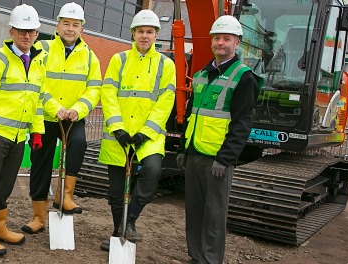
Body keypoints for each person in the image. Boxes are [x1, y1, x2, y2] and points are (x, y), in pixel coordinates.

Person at [176, 15, 262, 264]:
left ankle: (210, 260)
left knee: (214, 214)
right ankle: (196, 257)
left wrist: (225, 159)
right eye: (217, 38)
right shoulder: (202, 74)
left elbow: (242, 124)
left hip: (217, 160)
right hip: (195, 154)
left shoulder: (244, 77)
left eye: (226, 39)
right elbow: (192, 115)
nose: (220, 43)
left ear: (237, 43)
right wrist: (184, 147)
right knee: (194, 211)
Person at [0, 4, 47, 257]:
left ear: (37, 34)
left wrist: (36, 132)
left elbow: (35, 103)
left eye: (32, 32)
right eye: (22, 31)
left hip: (17, 137)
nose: (27, 36)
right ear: (11, 31)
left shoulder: (37, 64)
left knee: (6, 184)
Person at [21, 2, 101, 234]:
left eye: (75, 25)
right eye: (66, 23)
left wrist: (77, 109)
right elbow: (36, 81)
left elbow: (94, 89)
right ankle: (38, 216)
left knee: (79, 143)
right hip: (46, 117)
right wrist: (54, 107)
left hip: (73, 117)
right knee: (40, 163)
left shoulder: (90, 56)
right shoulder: (42, 48)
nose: (70, 28)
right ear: (57, 26)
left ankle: (64, 196)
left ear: (81, 29)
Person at [98, 9, 176, 251]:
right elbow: (108, 93)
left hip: (148, 137)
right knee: (116, 190)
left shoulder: (166, 64)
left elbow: (166, 100)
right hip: (118, 136)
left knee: (151, 174)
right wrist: (118, 128)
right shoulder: (119, 60)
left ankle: (129, 221)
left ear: (156, 35)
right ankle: (117, 230)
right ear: (133, 33)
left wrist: (146, 132)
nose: (144, 35)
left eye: (149, 32)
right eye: (140, 31)